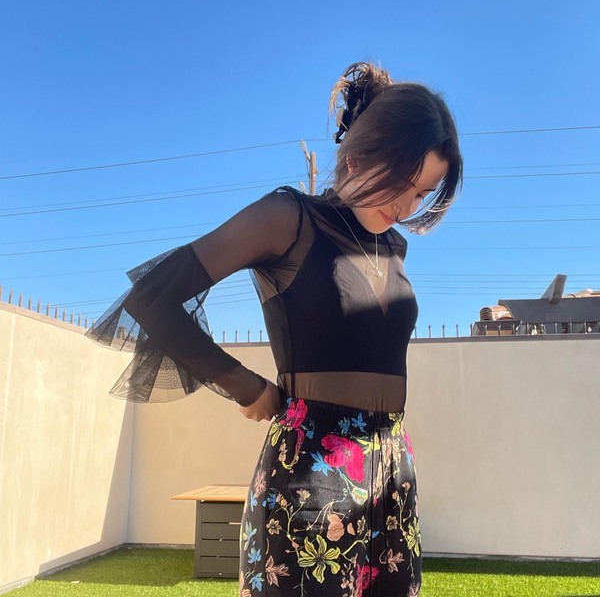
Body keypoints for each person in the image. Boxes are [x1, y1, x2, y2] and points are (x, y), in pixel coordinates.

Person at [87, 61, 462, 596]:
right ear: (357, 157)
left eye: (422, 194)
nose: (407, 207)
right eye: (401, 184)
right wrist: (245, 385)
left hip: (393, 472)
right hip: (310, 473)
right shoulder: (290, 219)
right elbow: (153, 299)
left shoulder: (393, 246)